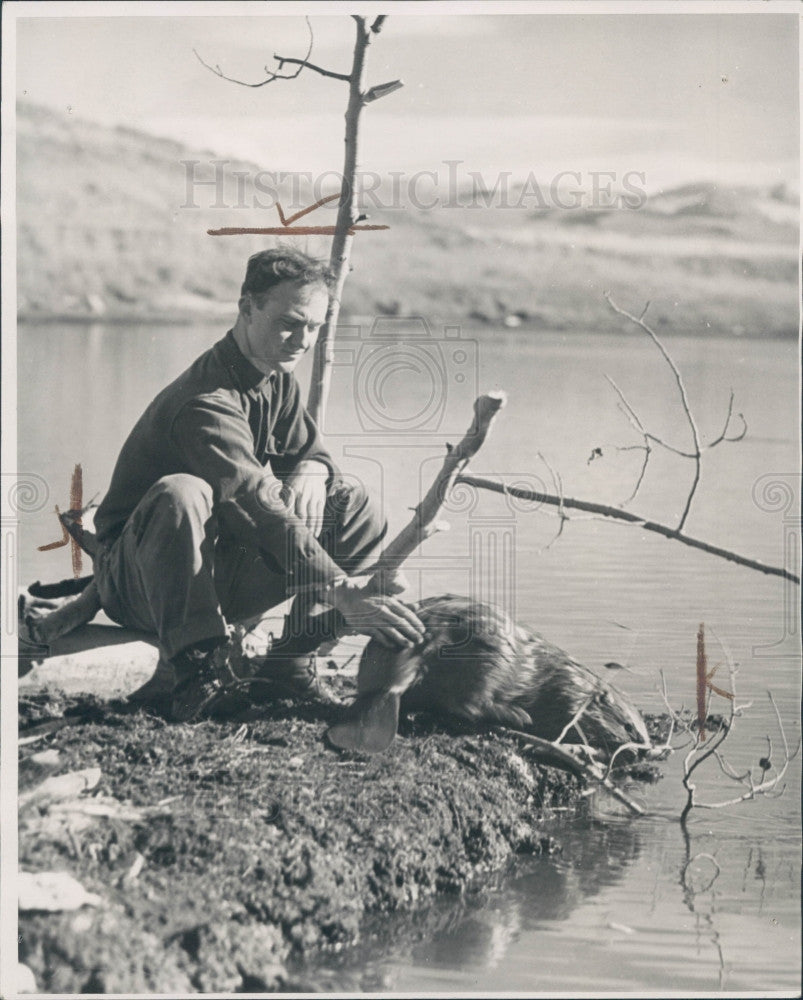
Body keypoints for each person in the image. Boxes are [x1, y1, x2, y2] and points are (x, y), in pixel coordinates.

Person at [93, 248, 426, 721]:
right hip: (140, 583)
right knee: (181, 494)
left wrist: (313, 466)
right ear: (247, 308)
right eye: (290, 323)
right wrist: (340, 588)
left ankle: (289, 660)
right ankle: (197, 673)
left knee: (354, 506)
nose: (304, 340)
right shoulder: (205, 400)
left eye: (314, 327)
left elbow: (309, 449)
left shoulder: (275, 376)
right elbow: (254, 502)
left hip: (210, 572)